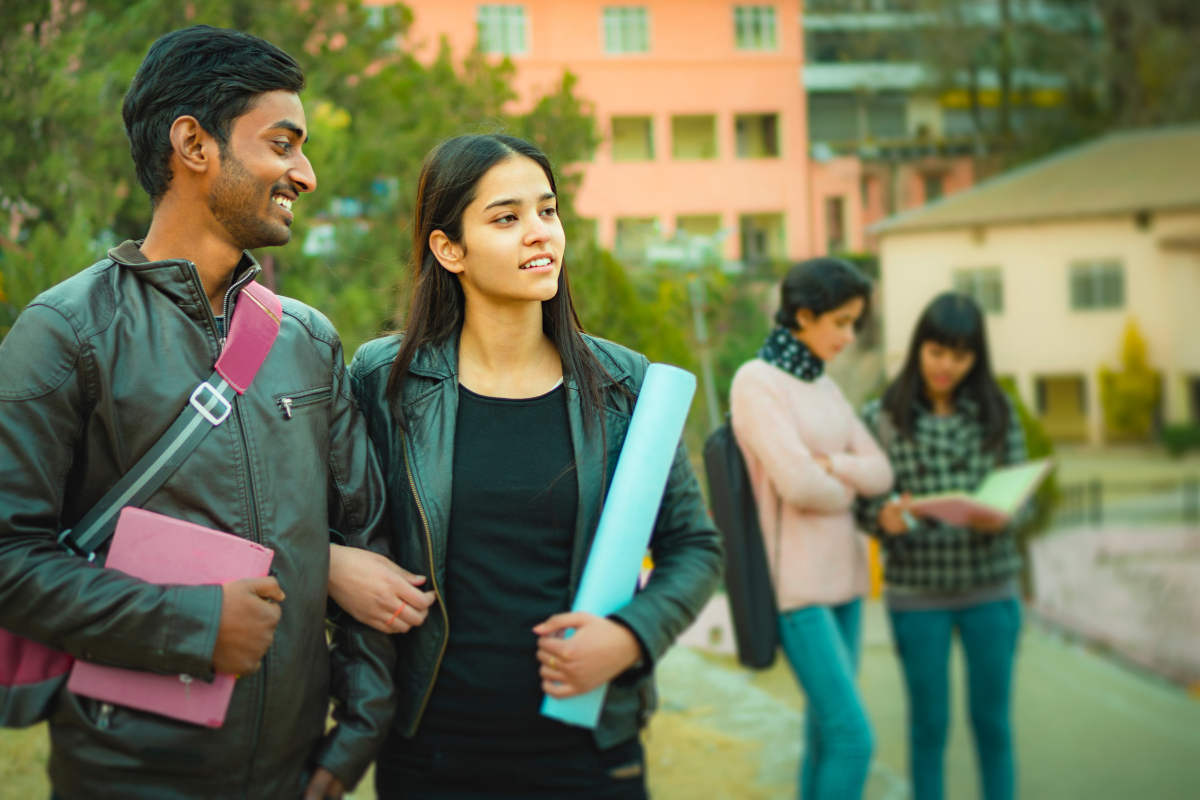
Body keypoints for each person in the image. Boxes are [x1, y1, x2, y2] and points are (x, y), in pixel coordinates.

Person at [0, 27, 401, 800]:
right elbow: (8, 555)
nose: (306, 174)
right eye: (282, 144)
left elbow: (365, 539)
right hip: (124, 779)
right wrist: (189, 624)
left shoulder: (309, 340)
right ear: (192, 144)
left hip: (294, 776)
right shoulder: (66, 333)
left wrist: (349, 744)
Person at [326, 133, 723, 800]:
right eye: (506, 218)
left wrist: (630, 637)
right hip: (430, 752)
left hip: (589, 754)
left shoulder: (625, 384)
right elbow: (312, 517)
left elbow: (694, 546)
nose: (540, 233)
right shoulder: (385, 379)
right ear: (449, 249)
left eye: (548, 210)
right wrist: (330, 564)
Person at [729, 258, 893, 800]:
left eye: (854, 323)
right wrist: (845, 485)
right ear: (803, 315)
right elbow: (798, 484)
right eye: (841, 322)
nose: (849, 336)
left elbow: (882, 470)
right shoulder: (757, 381)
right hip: (797, 589)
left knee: (826, 734)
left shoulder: (824, 386)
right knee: (853, 738)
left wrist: (832, 466)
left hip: (846, 581)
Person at [857, 292, 1029, 800]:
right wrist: (882, 517)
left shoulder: (998, 412)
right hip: (917, 595)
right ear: (918, 348)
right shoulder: (881, 417)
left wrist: (1005, 517)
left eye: (960, 355)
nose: (946, 366)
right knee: (928, 728)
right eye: (937, 352)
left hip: (990, 591)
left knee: (993, 726)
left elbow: (1023, 497)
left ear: (977, 357)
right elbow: (861, 503)